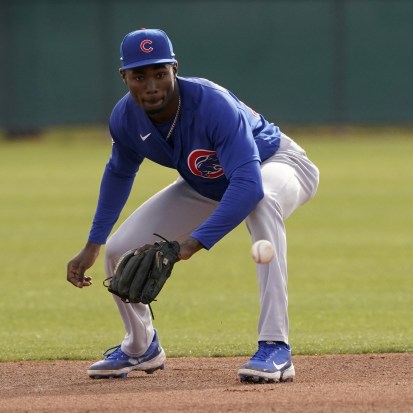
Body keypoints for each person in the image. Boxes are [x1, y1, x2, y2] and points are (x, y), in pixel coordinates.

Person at [66, 28, 319, 383]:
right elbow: (118, 174)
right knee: (120, 249)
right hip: (206, 184)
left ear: (174, 69)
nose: (151, 85)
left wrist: (193, 244)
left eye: (159, 73)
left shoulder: (211, 104)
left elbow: (246, 185)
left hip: (277, 163)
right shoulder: (125, 118)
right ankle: (141, 348)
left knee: (262, 202)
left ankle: (275, 346)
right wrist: (93, 244)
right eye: (140, 75)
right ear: (124, 77)